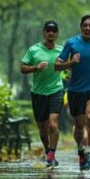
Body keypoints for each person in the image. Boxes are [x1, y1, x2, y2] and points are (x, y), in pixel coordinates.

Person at [55, 15, 90, 171]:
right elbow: (57, 65)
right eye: (85, 25)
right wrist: (71, 62)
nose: (88, 28)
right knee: (78, 126)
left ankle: (89, 150)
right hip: (75, 89)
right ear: (81, 27)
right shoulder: (71, 43)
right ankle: (81, 151)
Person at [20, 20, 66, 167]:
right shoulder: (34, 50)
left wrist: (69, 71)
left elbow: (67, 66)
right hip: (38, 92)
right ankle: (48, 151)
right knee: (43, 128)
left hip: (56, 90)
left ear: (57, 34)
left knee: (53, 124)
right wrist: (36, 67)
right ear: (44, 32)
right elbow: (22, 68)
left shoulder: (61, 50)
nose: (51, 33)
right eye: (48, 30)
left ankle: (51, 153)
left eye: (54, 31)